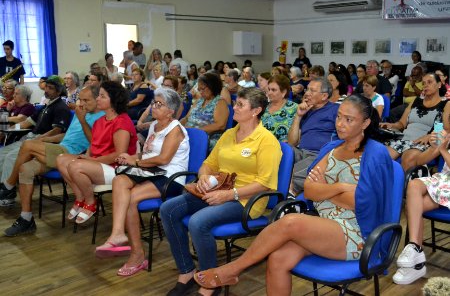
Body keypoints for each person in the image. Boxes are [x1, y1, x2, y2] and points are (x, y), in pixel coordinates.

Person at [192, 95, 392, 296]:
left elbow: (362, 203)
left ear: (365, 122)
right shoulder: (331, 148)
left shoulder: (375, 154)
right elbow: (310, 191)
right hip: (323, 223)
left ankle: (232, 269)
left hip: (358, 232)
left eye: (349, 119)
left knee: (291, 222)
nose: (340, 123)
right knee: (278, 259)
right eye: (339, 116)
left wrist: (325, 189)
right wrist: (340, 187)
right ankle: (231, 271)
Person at [160, 87, 282, 296]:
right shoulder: (229, 134)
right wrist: (204, 176)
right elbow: (208, 163)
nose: (234, 107)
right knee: (168, 209)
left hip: (246, 201)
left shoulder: (266, 140)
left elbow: (265, 183)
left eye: (240, 105)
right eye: (236, 103)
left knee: (199, 222)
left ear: (256, 111)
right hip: (217, 190)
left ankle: (210, 282)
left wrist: (229, 195)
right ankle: (187, 271)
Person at [95, 88, 189, 277]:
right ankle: (118, 233)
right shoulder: (155, 125)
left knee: (130, 198)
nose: (153, 106)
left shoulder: (175, 130)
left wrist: (135, 161)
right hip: (150, 171)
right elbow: (147, 155)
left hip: (170, 177)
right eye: (154, 102)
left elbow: (163, 159)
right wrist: (130, 157)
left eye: (159, 104)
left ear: (170, 110)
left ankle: (137, 254)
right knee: (119, 180)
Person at [2, 86, 104, 236]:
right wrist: (45, 139)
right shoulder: (80, 113)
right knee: (25, 169)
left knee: (28, 145)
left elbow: (95, 143)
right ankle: (26, 218)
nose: (81, 103)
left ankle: (8, 186)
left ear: (97, 100)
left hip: (72, 155)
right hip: (60, 149)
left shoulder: (101, 117)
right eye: (80, 99)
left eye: (86, 100)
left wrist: (82, 121)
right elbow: (66, 136)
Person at [56, 81, 137, 224]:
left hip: (117, 168)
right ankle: (80, 197)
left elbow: (119, 155)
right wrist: (88, 155)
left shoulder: (122, 122)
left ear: (114, 100)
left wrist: (90, 161)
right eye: (98, 96)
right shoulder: (101, 120)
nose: (98, 99)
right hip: (99, 163)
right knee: (61, 159)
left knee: (76, 166)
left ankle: (91, 202)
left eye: (102, 96)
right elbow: (95, 143)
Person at [0, 76, 71, 206]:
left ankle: (8, 195)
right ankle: (3, 187)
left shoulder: (61, 108)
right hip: (29, 138)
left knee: (10, 157)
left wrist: (40, 139)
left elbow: (57, 131)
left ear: (58, 91)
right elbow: (26, 123)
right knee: (2, 154)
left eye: (51, 88)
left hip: (42, 142)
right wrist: (9, 129)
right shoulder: (45, 106)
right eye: (47, 87)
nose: (47, 90)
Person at [392, 129, 450, 285]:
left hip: (447, 186)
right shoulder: (447, 133)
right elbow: (418, 161)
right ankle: (414, 248)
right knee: (414, 188)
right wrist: (434, 147)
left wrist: (443, 150)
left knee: (412, 207)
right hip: (444, 182)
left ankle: (416, 263)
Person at [381, 73, 450, 171]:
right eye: (423, 83)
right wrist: (391, 125)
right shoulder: (416, 101)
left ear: (439, 84)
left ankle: (401, 186)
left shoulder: (445, 104)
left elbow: (446, 129)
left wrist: (430, 136)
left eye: (429, 82)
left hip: (423, 143)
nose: (425, 85)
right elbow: (401, 124)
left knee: (408, 158)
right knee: (382, 156)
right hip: (403, 139)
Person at [287, 77, 339, 196]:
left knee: (289, 176)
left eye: (312, 91)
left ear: (324, 96)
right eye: (307, 89)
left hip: (319, 154)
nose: (307, 93)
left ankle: (290, 197)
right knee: (280, 150)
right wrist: (298, 116)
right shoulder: (306, 110)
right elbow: (292, 142)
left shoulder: (336, 111)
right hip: (301, 152)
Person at [181, 73, 228, 150]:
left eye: (203, 89)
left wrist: (195, 131)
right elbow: (186, 118)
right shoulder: (199, 101)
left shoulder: (220, 102)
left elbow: (220, 125)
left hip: (206, 137)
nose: (200, 92)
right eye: (199, 90)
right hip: (189, 133)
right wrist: (178, 126)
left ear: (212, 86)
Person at [262, 74, 297, 142]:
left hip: (282, 148)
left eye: (273, 90)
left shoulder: (294, 108)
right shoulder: (263, 107)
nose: (269, 93)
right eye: (269, 89)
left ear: (283, 92)